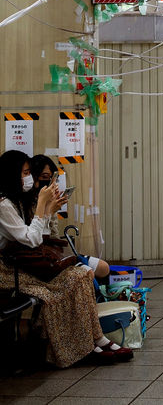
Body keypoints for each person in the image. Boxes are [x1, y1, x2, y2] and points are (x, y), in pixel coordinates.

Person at [0, 149, 132, 368]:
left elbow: (39, 238)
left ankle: (96, 339)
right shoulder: (4, 204)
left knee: (83, 273)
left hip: (21, 265)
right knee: (71, 281)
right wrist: (44, 206)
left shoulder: (15, 202)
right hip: (8, 271)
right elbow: (31, 239)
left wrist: (48, 209)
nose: (29, 178)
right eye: (25, 173)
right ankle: (79, 347)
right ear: (12, 174)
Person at [29, 154, 111, 284]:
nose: (49, 183)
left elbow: (54, 236)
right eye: (45, 177)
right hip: (41, 256)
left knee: (103, 267)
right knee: (88, 274)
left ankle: (105, 298)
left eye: (52, 179)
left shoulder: (49, 201)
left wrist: (51, 210)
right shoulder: (29, 203)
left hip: (53, 252)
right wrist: (48, 211)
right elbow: (36, 238)